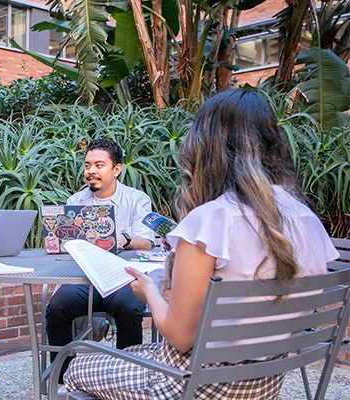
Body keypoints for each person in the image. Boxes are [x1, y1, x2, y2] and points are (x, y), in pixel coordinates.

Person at [63, 89, 340, 399]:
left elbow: (181, 339)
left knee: (75, 366)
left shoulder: (211, 221)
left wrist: (150, 292)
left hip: (192, 383)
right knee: (138, 350)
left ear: (205, 148)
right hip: (265, 382)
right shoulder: (306, 219)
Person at [46, 138, 156, 378]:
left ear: (116, 169)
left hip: (122, 279)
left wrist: (123, 239)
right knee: (56, 307)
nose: (90, 171)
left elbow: (147, 242)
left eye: (98, 165)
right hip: (85, 279)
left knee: (129, 308)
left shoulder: (137, 199)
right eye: (87, 165)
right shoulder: (75, 202)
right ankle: (63, 376)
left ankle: (127, 376)